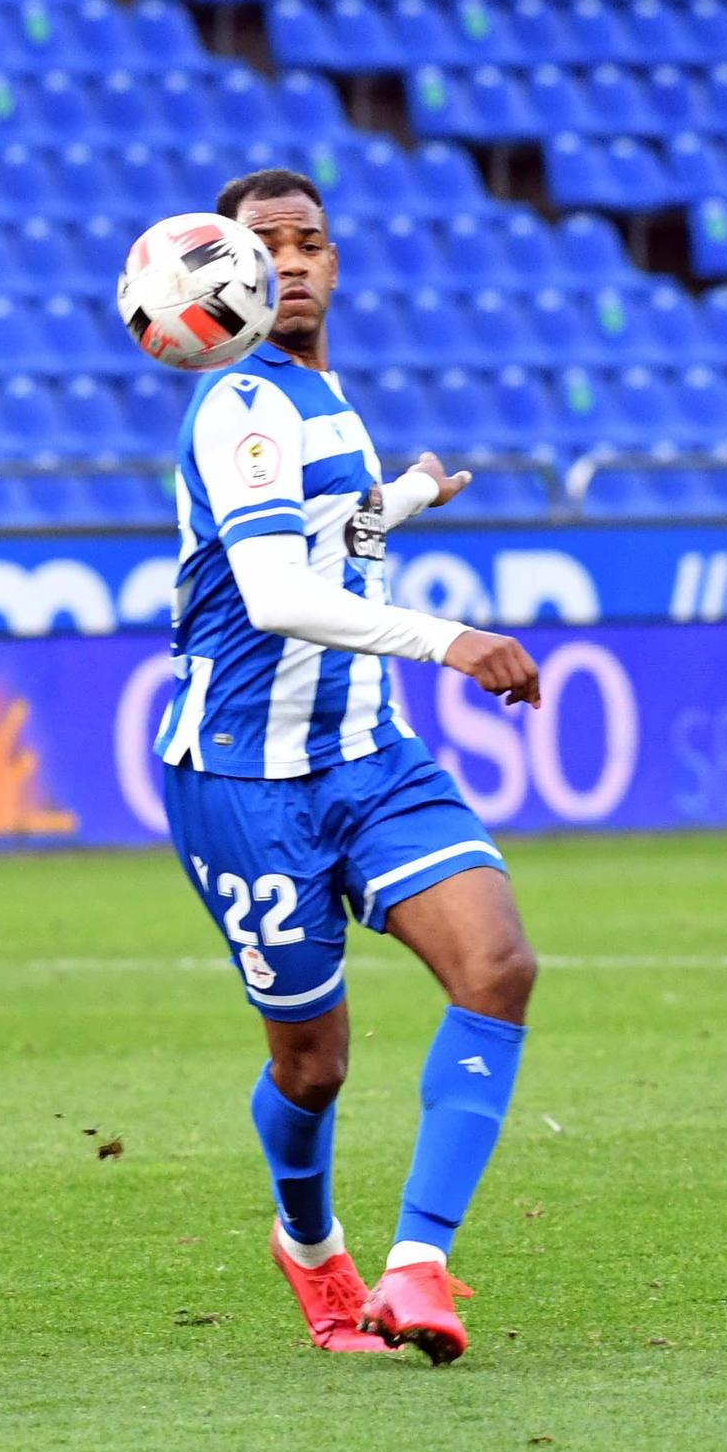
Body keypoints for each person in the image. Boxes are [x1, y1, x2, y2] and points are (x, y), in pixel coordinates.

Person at [155, 169, 542, 1364]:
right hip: (243, 782)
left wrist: (403, 497)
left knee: (496, 965)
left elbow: (330, 539)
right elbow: (273, 595)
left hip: (368, 755)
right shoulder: (241, 407)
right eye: (266, 245)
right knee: (312, 1067)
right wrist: (454, 639)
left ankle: (416, 1268)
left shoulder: (324, 394)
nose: (295, 260)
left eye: (311, 240)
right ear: (229, 275)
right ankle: (310, 1247)